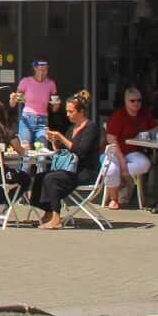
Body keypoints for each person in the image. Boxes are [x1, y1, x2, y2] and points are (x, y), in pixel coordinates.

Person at [31, 89, 103, 230]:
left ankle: (56, 218)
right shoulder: (72, 128)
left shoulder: (91, 128)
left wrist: (61, 137)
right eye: (67, 111)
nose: (68, 114)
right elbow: (64, 151)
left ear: (81, 112)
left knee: (52, 178)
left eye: (71, 111)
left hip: (85, 171)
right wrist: (54, 141)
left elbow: (81, 151)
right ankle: (48, 211)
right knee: (40, 177)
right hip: (71, 168)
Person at [103, 86, 158, 209]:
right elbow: (111, 139)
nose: (136, 103)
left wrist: (146, 133)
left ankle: (119, 179)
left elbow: (157, 128)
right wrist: (122, 160)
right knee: (112, 169)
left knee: (145, 163)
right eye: (132, 101)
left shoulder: (144, 113)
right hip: (113, 151)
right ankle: (114, 198)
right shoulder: (119, 115)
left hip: (132, 151)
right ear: (126, 101)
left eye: (139, 100)